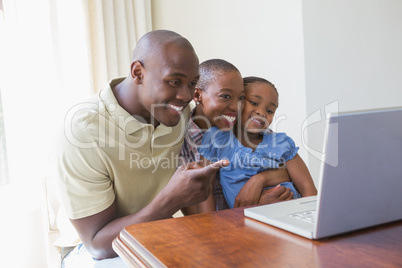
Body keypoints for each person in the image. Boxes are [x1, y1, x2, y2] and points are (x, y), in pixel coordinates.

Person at [57, 30, 229, 264]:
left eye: (191, 84)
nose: (186, 95)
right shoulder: (84, 129)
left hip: (154, 233)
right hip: (91, 252)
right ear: (138, 72)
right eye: (175, 81)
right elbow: (97, 245)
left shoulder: (178, 114)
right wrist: (171, 199)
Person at [180, 60, 294, 214]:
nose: (235, 107)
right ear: (197, 95)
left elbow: (289, 168)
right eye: (225, 96)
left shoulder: (247, 130)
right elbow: (197, 217)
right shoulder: (182, 144)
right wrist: (253, 207)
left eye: (241, 98)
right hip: (225, 231)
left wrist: (260, 180)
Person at [198, 76, 317, 209]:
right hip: (245, 223)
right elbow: (204, 189)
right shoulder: (217, 138)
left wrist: (309, 219)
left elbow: (308, 188)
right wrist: (210, 226)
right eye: (254, 103)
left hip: (293, 214)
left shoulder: (280, 142)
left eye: (270, 110)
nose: (261, 112)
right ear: (238, 101)